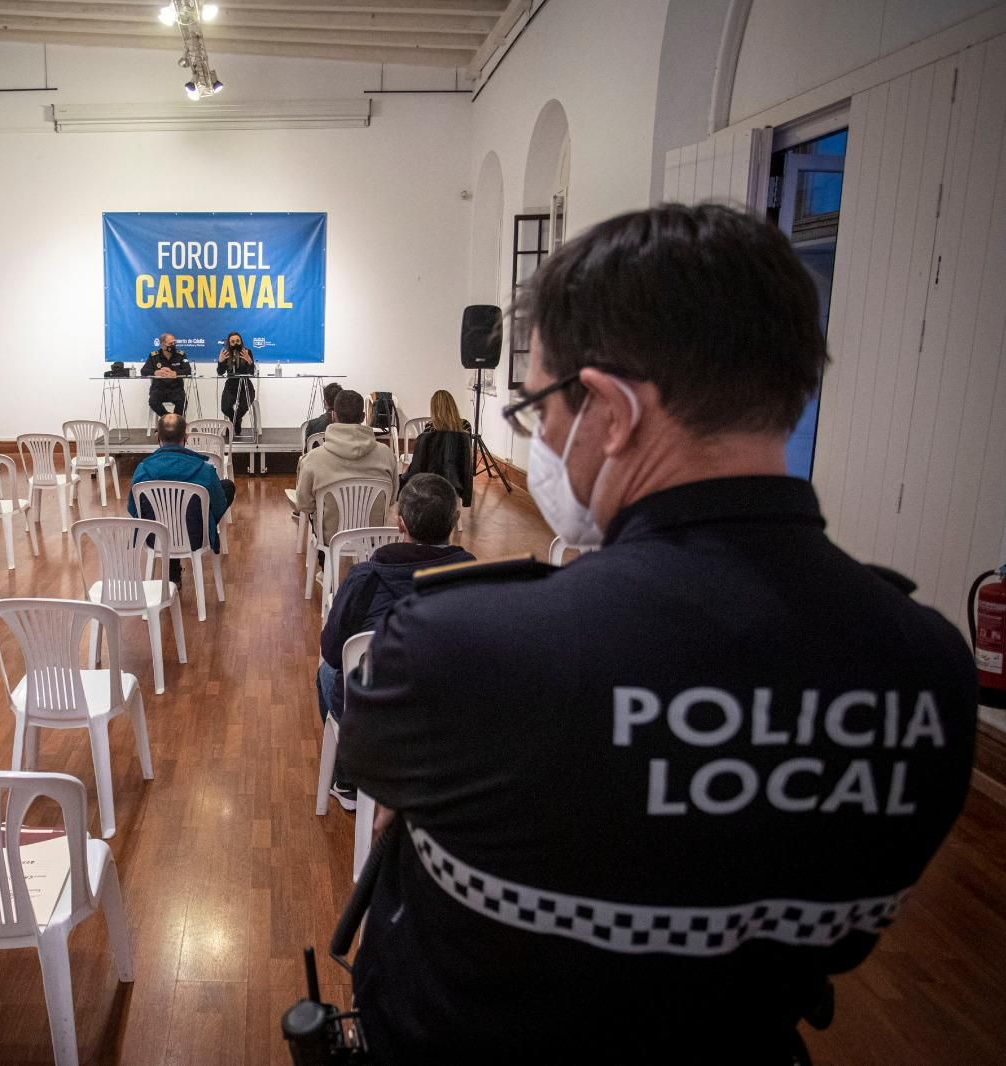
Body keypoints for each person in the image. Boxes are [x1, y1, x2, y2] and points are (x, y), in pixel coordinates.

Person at [337, 203, 978, 1063]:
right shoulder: (929, 667)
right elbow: (842, 938)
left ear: (609, 410)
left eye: (541, 411)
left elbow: (385, 803)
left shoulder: (458, 646)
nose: (544, 439)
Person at [317, 474, 470, 812]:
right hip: (447, 710)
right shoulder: (472, 572)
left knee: (328, 672)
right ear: (454, 523)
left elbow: (332, 651)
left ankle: (348, 778)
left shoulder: (365, 578)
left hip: (378, 714)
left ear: (401, 525)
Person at [126, 414, 234, 585]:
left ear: (157, 437)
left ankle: (173, 570)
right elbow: (219, 505)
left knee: (166, 512)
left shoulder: (142, 470)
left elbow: (133, 509)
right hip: (195, 536)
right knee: (227, 487)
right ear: (186, 437)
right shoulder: (205, 471)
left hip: (157, 538)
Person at [294, 389, 397, 543]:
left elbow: (304, 505)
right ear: (363, 417)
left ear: (333, 415)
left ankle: (326, 563)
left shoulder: (312, 459)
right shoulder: (387, 455)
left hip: (331, 536)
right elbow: (392, 498)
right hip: (374, 534)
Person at [400, 389, 475, 506]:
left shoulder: (430, 428)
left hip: (432, 484)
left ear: (434, 408)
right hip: (457, 484)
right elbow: (466, 460)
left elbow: (420, 464)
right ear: (453, 406)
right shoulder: (465, 427)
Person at [141, 333, 192, 420]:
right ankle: (169, 419)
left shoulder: (181, 355)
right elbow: (143, 371)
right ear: (162, 345)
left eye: (174, 343)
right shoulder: (154, 356)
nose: (173, 345)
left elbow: (188, 370)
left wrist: (175, 373)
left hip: (176, 389)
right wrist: (156, 372)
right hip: (159, 388)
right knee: (153, 401)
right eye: (170, 344)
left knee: (182, 401)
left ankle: (176, 424)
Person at [217, 331, 256, 436]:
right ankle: (236, 421)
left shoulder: (247, 352)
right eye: (233, 342)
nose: (236, 343)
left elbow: (252, 372)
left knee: (242, 407)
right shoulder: (226, 353)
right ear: (229, 343)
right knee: (225, 408)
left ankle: (233, 424)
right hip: (231, 385)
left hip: (245, 385)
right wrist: (220, 362)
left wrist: (249, 361)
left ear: (241, 341)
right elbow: (220, 372)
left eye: (238, 341)